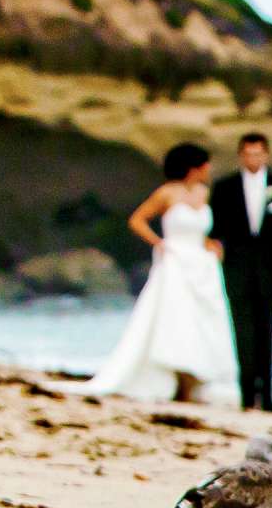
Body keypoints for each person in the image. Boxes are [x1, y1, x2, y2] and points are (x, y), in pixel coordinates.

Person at [82, 143, 235, 404]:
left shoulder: (204, 193)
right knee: (176, 318)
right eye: (205, 164)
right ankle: (174, 379)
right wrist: (159, 243)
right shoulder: (166, 193)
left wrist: (211, 243)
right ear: (193, 167)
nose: (209, 169)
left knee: (203, 320)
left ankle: (196, 379)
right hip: (175, 261)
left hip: (202, 265)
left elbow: (204, 230)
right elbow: (137, 220)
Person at [208, 131, 272, 413]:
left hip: (270, 270)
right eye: (248, 153)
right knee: (242, 331)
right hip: (236, 268)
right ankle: (246, 395)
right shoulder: (225, 188)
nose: (253, 158)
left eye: (258, 153)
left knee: (267, 331)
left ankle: (268, 394)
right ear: (240, 156)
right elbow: (214, 230)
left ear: (266, 155)